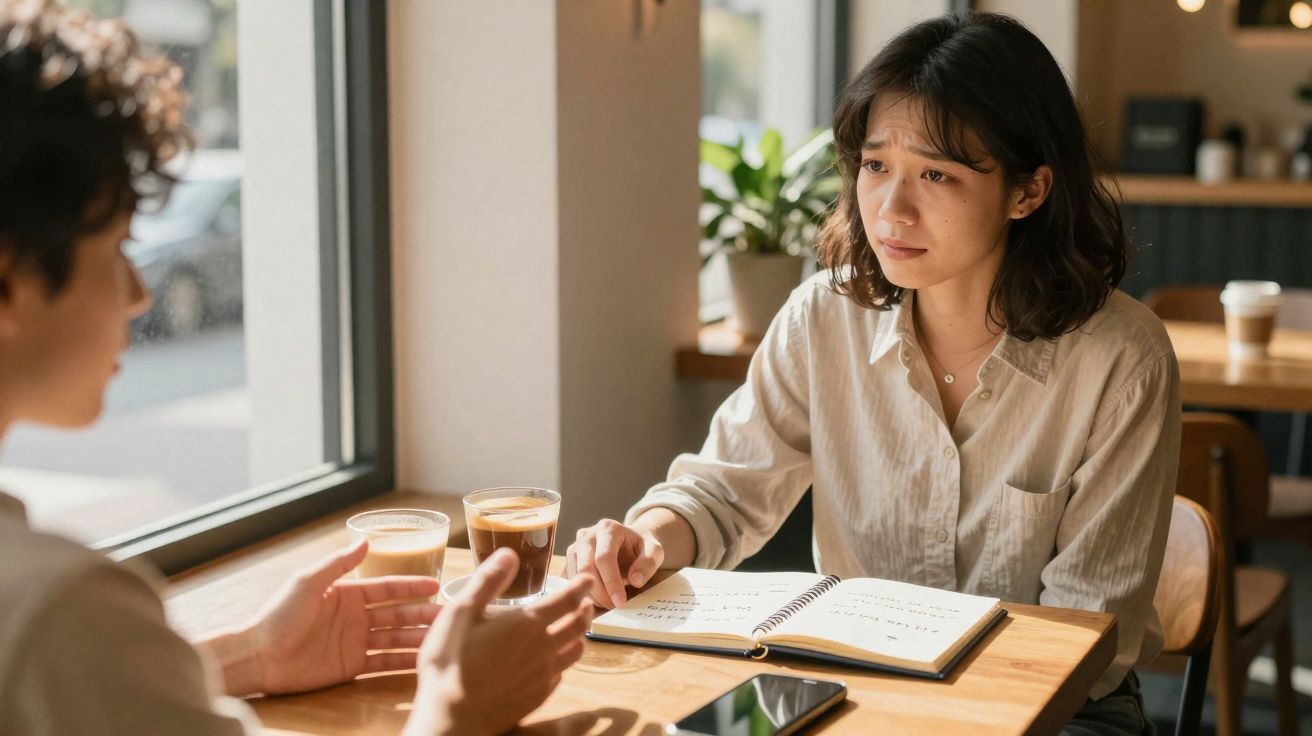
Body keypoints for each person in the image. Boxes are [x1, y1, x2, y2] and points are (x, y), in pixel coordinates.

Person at [567, 11, 1178, 735]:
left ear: (1028, 191)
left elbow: (1084, 638)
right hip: (853, 697)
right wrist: (645, 543)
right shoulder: (822, 318)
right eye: (876, 164)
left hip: (1058, 712)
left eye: (937, 174)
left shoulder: (1121, 360)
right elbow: (722, 492)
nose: (891, 209)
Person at [0, 2, 592, 734]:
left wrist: (252, 653)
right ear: (8, 278)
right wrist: (454, 707)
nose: (140, 292)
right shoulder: (58, 610)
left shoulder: (57, 630)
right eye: (118, 246)